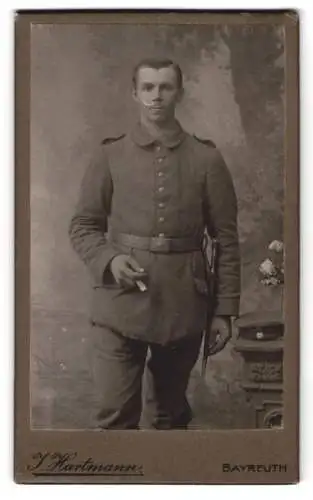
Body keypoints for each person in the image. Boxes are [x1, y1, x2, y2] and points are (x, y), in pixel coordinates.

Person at [68, 58, 241, 430]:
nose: (156, 96)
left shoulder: (206, 158)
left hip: (183, 304)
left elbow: (226, 239)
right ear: (135, 93)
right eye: (148, 87)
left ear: (179, 93)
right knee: (115, 414)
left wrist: (224, 312)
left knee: (168, 417)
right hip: (120, 304)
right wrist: (110, 259)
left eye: (165, 87)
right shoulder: (109, 155)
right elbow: (83, 226)